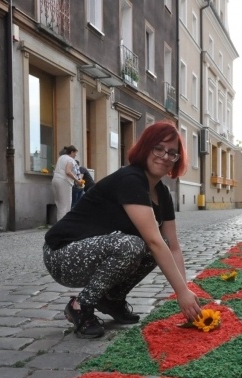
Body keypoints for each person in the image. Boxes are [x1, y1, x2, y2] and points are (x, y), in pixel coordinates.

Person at [43, 121, 202, 339]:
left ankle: (111, 299)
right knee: (134, 245)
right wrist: (181, 293)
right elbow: (153, 241)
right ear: (146, 148)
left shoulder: (162, 192)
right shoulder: (131, 179)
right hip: (61, 253)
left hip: (91, 252)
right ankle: (80, 306)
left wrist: (185, 291)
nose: (165, 156)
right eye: (158, 148)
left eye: (172, 153)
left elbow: (172, 247)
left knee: (155, 245)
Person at [51, 145, 79, 221]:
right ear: (72, 152)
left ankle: (58, 225)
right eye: (75, 153)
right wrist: (77, 180)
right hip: (64, 182)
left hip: (55, 180)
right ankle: (63, 227)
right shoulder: (70, 160)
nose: (75, 155)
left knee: (59, 205)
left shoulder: (61, 158)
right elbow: (68, 171)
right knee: (65, 206)